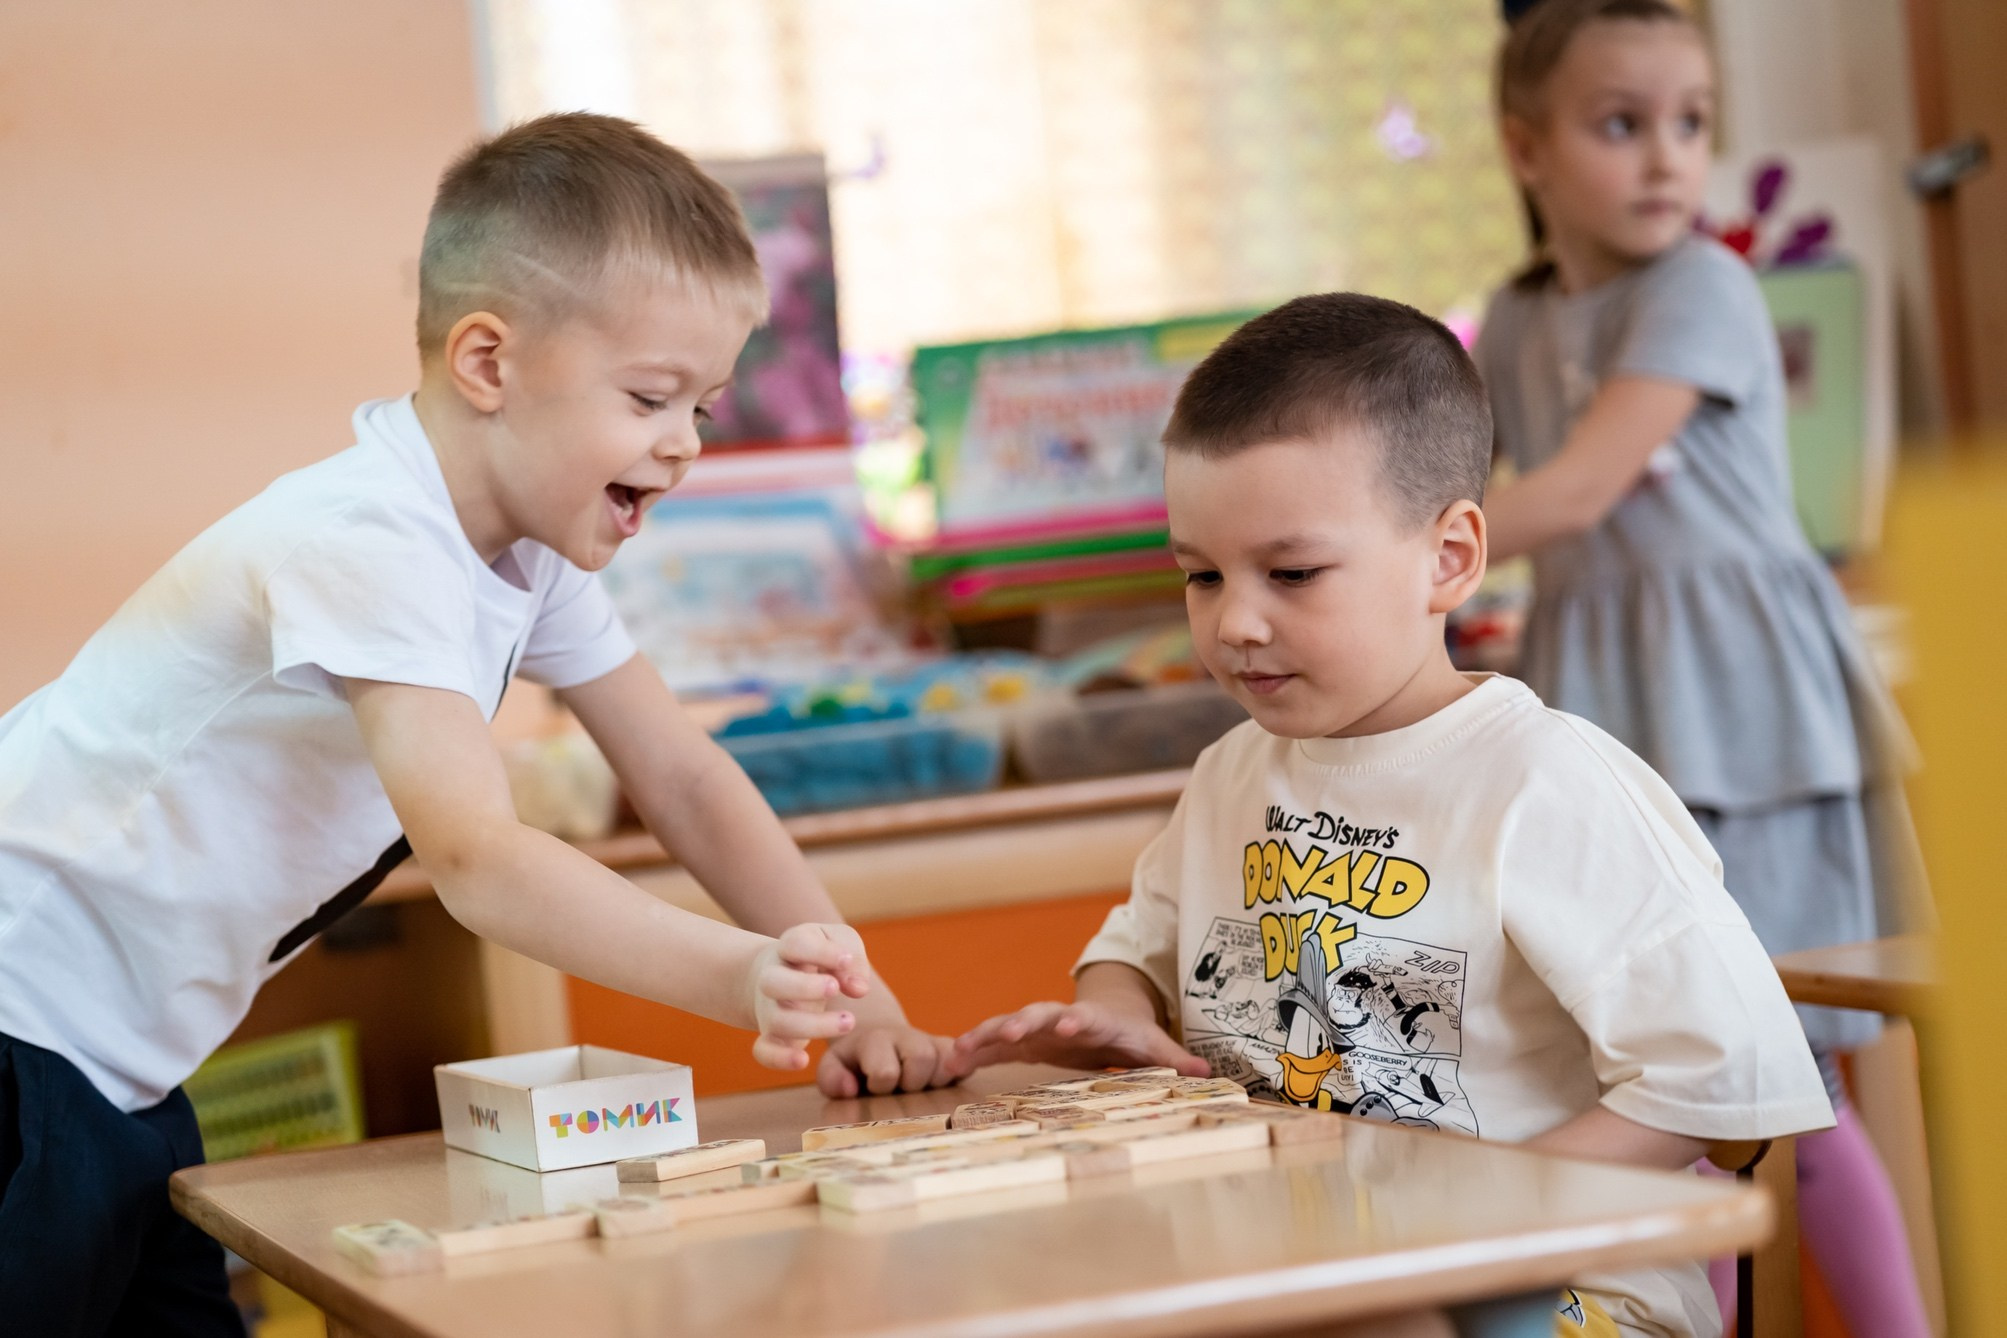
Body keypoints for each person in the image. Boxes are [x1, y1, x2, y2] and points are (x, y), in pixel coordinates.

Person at [0, 113, 954, 1333]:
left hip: (119, 1063)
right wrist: (741, 977)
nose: (684, 445)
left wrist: (854, 994)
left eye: (705, 408)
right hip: (28, 1036)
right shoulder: (371, 539)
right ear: (489, 365)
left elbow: (684, 778)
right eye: (652, 397)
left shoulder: (524, 557)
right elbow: (480, 862)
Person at [950, 293, 1831, 1336]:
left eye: (1291, 573)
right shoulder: (1231, 774)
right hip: (1297, 1271)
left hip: (1553, 1298)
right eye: (1200, 575)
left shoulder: (1549, 782)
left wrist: (1457, 1218)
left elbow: (1724, 1083)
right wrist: (1121, 1022)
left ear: (1450, 559)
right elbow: (1132, 954)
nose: (1234, 621)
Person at [1472, 2, 1933, 1332]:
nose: (1668, 158)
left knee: (1787, 1070)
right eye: (1621, 126)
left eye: (1689, 124)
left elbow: (1571, 489)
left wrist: (1375, 554)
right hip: (1605, 717)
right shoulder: (1509, 320)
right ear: (1525, 146)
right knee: (1662, 1083)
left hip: (1742, 713)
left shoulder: (1702, 286)